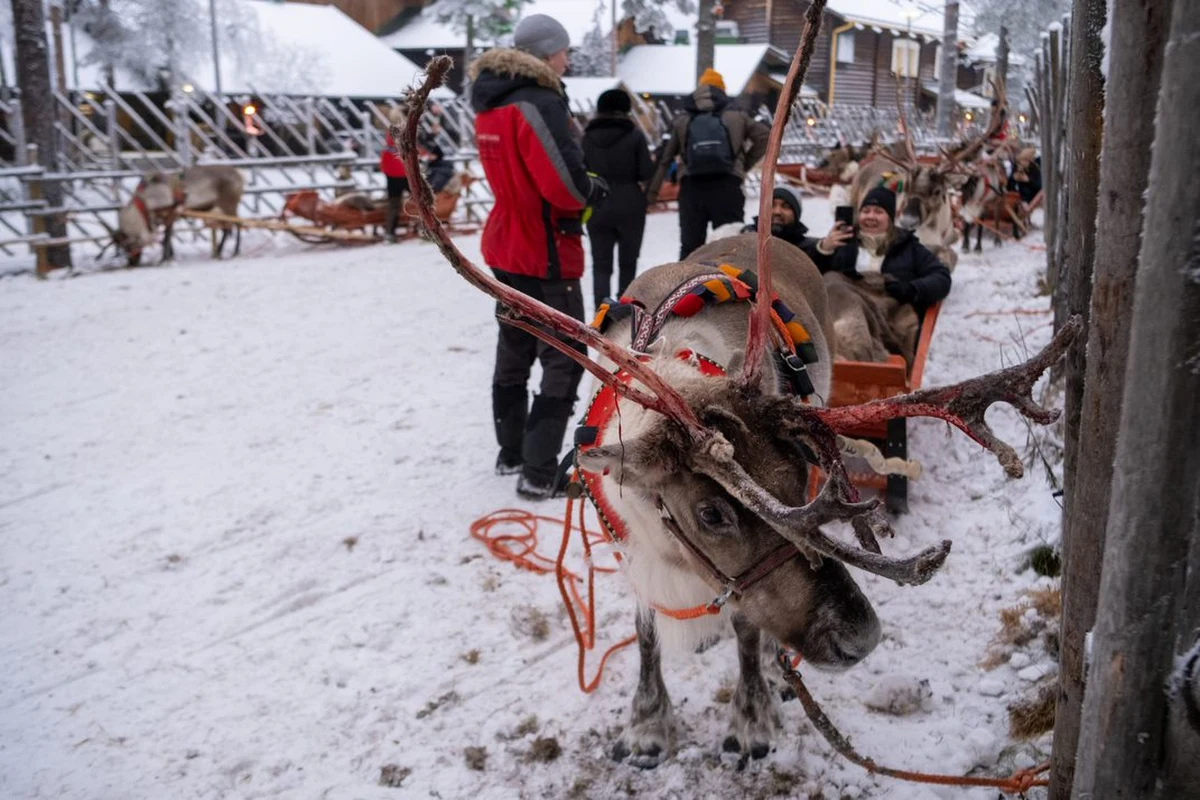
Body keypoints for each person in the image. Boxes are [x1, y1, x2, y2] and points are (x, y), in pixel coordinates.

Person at [471, 13, 608, 500]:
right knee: (564, 357)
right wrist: (591, 188)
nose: (568, 59)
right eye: (564, 51)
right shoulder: (540, 103)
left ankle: (511, 453)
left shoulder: (491, 104)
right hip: (544, 248)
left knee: (514, 347)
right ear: (546, 54)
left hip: (505, 242)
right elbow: (564, 186)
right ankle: (539, 470)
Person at [646, 68, 770, 259]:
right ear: (722, 90)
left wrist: (651, 195)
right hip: (727, 185)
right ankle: (730, 287)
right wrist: (742, 165)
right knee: (730, 246)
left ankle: (687, 286)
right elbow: (765, 137)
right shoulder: (737, 116)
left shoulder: (683, 119)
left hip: (692, 189)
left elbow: (665, 158)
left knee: (690, 248)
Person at [808, 187, 951, 311]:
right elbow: (811, 277)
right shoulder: (842, 243)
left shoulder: (908, 247)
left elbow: (941, 277)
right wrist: (824, 250)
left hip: (888, 314)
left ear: (890, 218)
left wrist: (910, 289)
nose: (871, 216)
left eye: (878, 211)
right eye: (866, 211)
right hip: (842, 309)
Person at [582, 89, 654, 308]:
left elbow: (580, 169)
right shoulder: (634, 135)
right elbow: (646, 172)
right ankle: (624, 310)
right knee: (628, 263)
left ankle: (600, 311)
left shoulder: (587, 137)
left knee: (601, 265)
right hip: (630, 203)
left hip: (597, 203)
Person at [741, 185, 853, 259]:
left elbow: (812, 255)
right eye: (772, 205)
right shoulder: (746, 235)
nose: (777, 211)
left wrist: (824, 248)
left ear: (796, 214)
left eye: (786, 206)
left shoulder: (804, 246)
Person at [379, 107, 410, 243]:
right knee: (420, 200)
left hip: (391, 172)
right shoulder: (404, 131)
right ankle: (426, 228)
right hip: (404, 172)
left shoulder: (391, 131)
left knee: (394, 203)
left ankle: (390, 232)